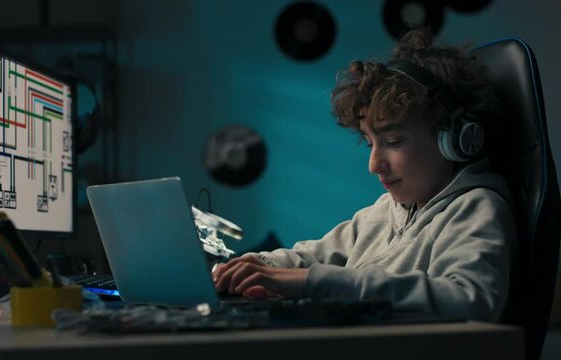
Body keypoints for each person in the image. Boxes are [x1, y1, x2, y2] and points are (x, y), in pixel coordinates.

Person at [212, 28, 517, 322]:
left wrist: (313, 282)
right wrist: (257, 266)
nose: (374, 165)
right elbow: (311, 258)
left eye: (393, 142)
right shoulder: (382, 212)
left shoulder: (476, 207)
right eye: (371, 143)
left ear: (455, 139)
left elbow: (471, 298)